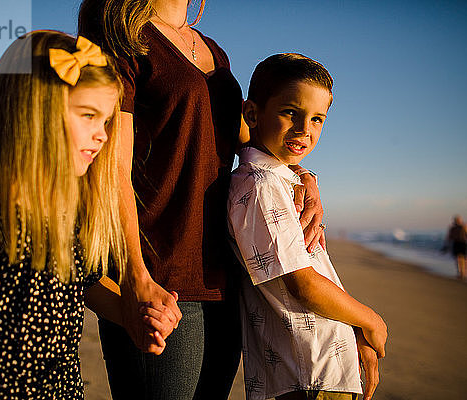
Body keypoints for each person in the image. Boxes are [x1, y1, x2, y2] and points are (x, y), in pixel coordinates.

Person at [0, 31, 176, 400]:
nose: (102, 136)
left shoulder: (76, 209)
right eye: (88, 115)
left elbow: (83, 286)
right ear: (35, 112)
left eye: (105, 121)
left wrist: (132, 314)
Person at [78, 1, 326, 399]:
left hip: (223, 278)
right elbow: (109, 170)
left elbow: (253, 143)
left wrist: (305, 176)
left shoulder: (215, 52)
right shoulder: (123, 36)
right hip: (159, 275)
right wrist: (135, 278)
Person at [227, 54, 388, 400]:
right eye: (290, 113)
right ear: (252, 114)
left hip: (317, 368)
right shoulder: (261, 185)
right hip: (307, 373)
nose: (305, 130)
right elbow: (302, 284)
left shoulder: (282, 179)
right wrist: (371, 320)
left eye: (317, 119)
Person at [444, 215, 467, 281]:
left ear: (461, 220)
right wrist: (447, 245)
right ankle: (460, 273)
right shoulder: (452, 228)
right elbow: (449, 237)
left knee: (465, 258)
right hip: (457, 243)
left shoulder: (464, 226)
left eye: (459, 220)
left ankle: (465, 273)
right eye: (456, 220)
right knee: (459, 258)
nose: (458, 221)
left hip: (463, 243)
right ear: (454, 221)